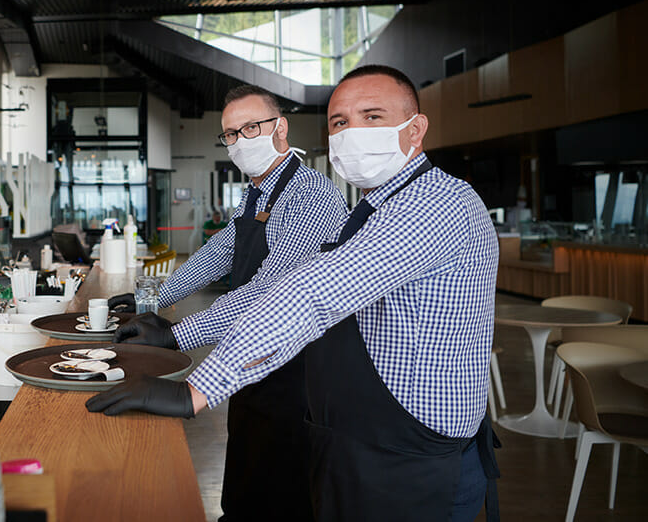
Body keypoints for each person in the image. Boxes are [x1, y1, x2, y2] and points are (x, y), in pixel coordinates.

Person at [89, 66, 501, 522]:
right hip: (356, 431)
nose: (353, 132)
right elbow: (217, 254)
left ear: (415, 129)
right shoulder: (362, 206)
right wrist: (157, 301)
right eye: (340, 122)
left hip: (410, 452)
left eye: (373, 116)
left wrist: (193, 380)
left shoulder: (431, 205)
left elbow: (304, 292)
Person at [102, 84, 348, 522]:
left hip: (295, 368)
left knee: (282, 486)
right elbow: (218, 254)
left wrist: (179, 334)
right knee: (246, 471)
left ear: (280, 128)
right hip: (249, 360)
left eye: (250, 127)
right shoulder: (256, 191)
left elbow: (271, 290)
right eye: (230, 134)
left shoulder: (310, 194)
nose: (239, 141)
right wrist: (158, 297)